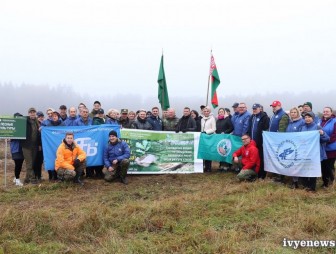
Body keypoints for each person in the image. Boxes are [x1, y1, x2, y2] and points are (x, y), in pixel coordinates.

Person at [301, 112, 329, 192]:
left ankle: (312, 188)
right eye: (306, 117)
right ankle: (305, 186)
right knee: (305, 169)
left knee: (313, 170)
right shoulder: (302, 127)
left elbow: (326, 139)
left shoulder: (317, 127)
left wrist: (322, 133)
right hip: (305, 152)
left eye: (309, 117)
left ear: (313, 118)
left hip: (315, 153)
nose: (307, 119)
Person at [246, 103, 269, 179]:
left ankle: (262, 174)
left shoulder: (264, 117)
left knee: (260, 158)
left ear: (260, 108)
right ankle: (254, 173)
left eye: (256, 109)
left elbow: (266, 129)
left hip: (260, 142)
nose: (254, 110)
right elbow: (249, 127)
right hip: (252, 142)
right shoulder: (252, 117)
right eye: (253, 109)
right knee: (253, 158)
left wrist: (263, 141)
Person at [269, 100, 289, 183]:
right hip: (272, 140)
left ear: (279, 106)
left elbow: (282, 130)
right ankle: (276, 175)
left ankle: (281, 177)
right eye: (273, 106)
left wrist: (279, 139)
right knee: (275, 158)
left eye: (275, 106)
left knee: (281, 158)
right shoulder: (273, 115)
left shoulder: (283, 115)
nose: (273, 108)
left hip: (279, 141)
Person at [286, 107, 305, 189]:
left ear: (298, 113)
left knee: (297, 164)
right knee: (292, 164)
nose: (293, 114)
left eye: (294, 112)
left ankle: (298, 182)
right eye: (291, 112)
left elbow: (302, 135)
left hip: (298, 147)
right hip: (290, 147)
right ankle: (294, 181)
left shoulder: (302, 122)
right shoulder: (290, 122)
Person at [21, 107, 39, 184]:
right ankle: (32, 179)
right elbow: (17, 116)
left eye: (34, 112)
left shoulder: (37, 122)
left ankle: (26, 179)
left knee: (32, 162)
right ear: (28, 113)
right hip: (26, 146)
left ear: (35, 113)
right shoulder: (25, 120)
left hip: (35, 146)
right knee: (29, 163)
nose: (32, 113)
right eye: (31, 112)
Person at [319, 107, 336, 188]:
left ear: (331, 112)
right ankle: (325, 182)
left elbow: (334, 134)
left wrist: (326, 140)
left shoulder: (334, 121)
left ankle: (331, 182)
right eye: (324, 111)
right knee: (323, 166)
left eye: (327, 111)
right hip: (322, 148)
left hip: (331, 148)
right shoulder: (320, 121)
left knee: (329, 166)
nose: (325, 113)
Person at [216, 107, 234, 172]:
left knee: (225, 152)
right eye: (219, 112)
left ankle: (226, 166)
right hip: (219, 139)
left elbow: (231, 128)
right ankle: (221, 166)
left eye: (222, 112)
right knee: (220, 151)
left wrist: (225, 132)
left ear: (224, 112)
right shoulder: (217, 120)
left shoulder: (227, 119)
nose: (220, 113)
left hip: (226, 138)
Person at [10, 113, 25, 186]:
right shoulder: (13, 127)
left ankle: (16, 177)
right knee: (18, 164)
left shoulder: (23, 127)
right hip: (16, 148)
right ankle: (17, 179)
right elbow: (10, 137)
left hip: (22, 148)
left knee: (20, 164)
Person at [201, 106, 216, 172]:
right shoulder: (202, 119)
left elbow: (214, 129)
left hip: (210, 136)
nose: (206, 112)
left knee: (209, 152)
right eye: (205, 111)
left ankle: (209, 167)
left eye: (207, 111)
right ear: (203, 112)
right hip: (203, 137)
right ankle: (204, 166)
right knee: (204, 152)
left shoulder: (212, 118)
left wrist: (206, 132)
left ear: (209, 112)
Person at [34, 111, 44, 181]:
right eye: (39, 116)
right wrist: (39, 145)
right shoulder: (34, 124)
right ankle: (35, 176)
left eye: (42, 116)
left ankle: (39, 176)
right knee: (35, 161)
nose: (40, 118)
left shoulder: (44, 125)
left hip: (42, 146)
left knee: (40, 161)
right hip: (35, 146)